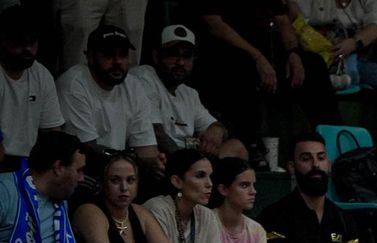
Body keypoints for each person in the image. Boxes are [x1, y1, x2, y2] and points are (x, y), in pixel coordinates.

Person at [190, 0, 340, 159]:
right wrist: (257, 57)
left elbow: (282, 21)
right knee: (243, 64)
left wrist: (293, 53)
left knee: (313, 64)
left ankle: (335, 141)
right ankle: (250, 145)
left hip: (266, 55)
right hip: (226, 55)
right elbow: (215, 25)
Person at [126, 25, 248, 163]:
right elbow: (155, 134)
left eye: (187, 56)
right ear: (156, 56)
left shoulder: (189, 93)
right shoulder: (144, 76)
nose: (180, 62)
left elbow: (214, 126)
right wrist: (189, 164)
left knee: (236, 148)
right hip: (162, 160)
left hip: (191, 163)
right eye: (173, 54)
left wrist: (217, 130)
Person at [291, 0, 377, 130]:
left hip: (357, 60)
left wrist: (354, 42)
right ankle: (336, 78)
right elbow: (296, 17)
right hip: (319, 58)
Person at [259, 134, 361, 243]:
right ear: (292, 167)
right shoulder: (274, 215)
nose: (316, 165)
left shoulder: (345, 219)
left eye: (321, 158)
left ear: (329, 164)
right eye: (306, 159)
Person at [55, 24, 159, 173]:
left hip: (120, 171)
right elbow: (86, 149)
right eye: (109, 55)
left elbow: (147, 150)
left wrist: (155, 163)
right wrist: (131, 159)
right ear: (90, 57)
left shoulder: (133, 85)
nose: (117, 62)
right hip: (83, 171)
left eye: (123, 54)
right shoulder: (74, 84)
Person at [0, 8, 64, 168]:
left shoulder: (41, 74)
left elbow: (52, 133)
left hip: (30, 163)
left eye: (32, 43)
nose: (27, 49)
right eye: (20, 43)